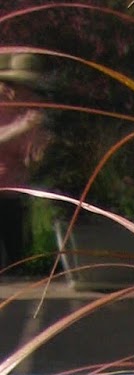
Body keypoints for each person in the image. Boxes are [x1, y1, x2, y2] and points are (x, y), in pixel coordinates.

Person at [0, 51, 43, 275]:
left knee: (15, 247)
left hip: (12, 188)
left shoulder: (29, 109)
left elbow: (29, 155)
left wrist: (34, 154)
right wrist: (19, 128)